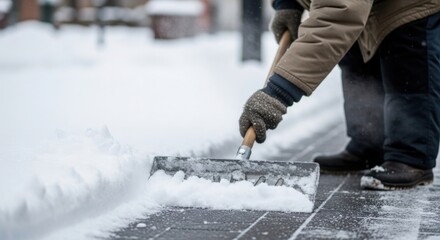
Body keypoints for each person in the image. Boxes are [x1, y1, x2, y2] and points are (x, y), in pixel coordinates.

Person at [239, 0, 440, 190]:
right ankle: (369, 144)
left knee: (408, 66)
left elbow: (337, 16)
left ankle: (411, 156)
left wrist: (277, 93)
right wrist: (288, 4)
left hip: (410, 6)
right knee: (356, 56)